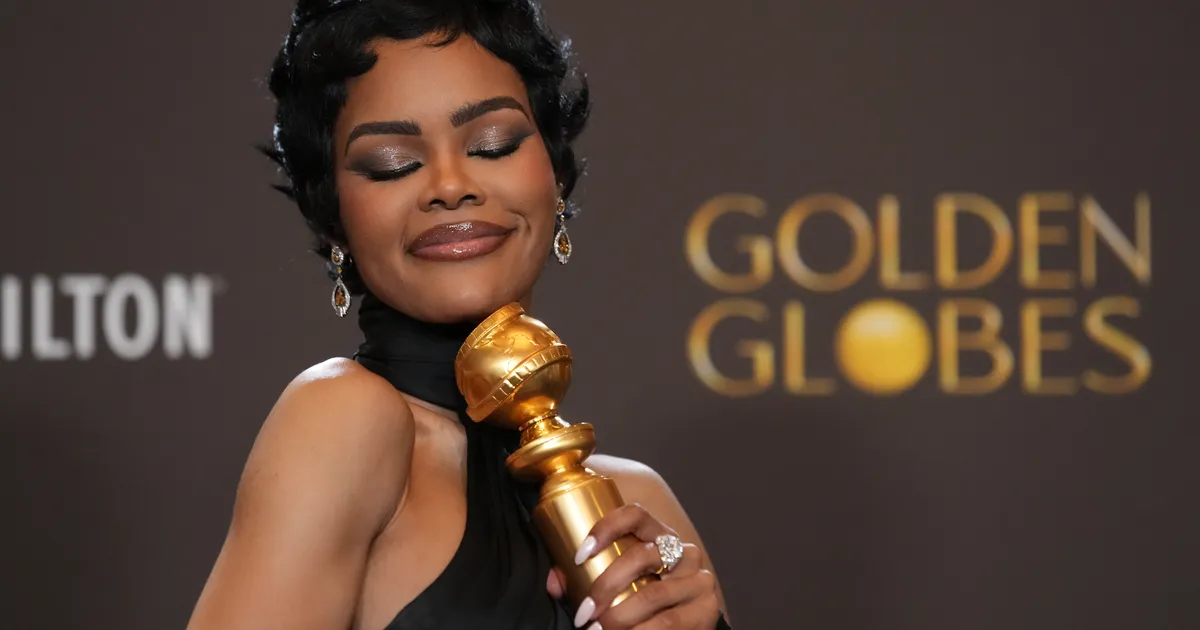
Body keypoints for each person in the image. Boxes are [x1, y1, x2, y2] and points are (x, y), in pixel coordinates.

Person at [187, 2, 730, 629]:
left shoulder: (640, 503)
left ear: (555, 175)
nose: (450, 185)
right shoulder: (342, 420)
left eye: (493, 145)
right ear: (333, 217)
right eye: (393, 163)